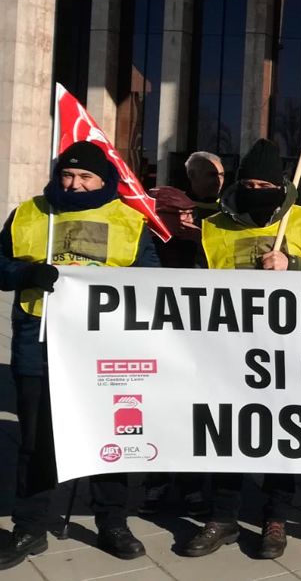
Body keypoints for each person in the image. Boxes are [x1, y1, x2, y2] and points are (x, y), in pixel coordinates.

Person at [0, 141, 162, 569]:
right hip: (39, 343)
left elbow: (151, 280)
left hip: (104, 347)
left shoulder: (129, 221)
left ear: (103, 180)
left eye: (85, 177)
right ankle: (30, 527)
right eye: (67, 176)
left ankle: (112, 522)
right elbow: (0, 266)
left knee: (111, 435)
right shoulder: (30, 212)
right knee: (36, 441)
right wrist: (25, 272)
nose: (74, 184)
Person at [183, 138, 301, 560]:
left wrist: (294, 265)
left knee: (283, 435)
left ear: (281, 186)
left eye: (266, 185)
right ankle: (222, 516)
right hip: (229, 351)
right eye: (250, 184)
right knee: (228, 433)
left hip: (287, 353)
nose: (256, 192)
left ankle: (275, 518)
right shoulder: (214, 227)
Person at [142, 151, 225, 513]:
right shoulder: (152, 242)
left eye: (221, 174)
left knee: (195, 412)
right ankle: (156, 480)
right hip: (160, 339)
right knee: (160, 409)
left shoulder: (219, 224)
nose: (218, 180)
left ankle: (192, 483)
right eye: (210, 174)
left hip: (200, 340)